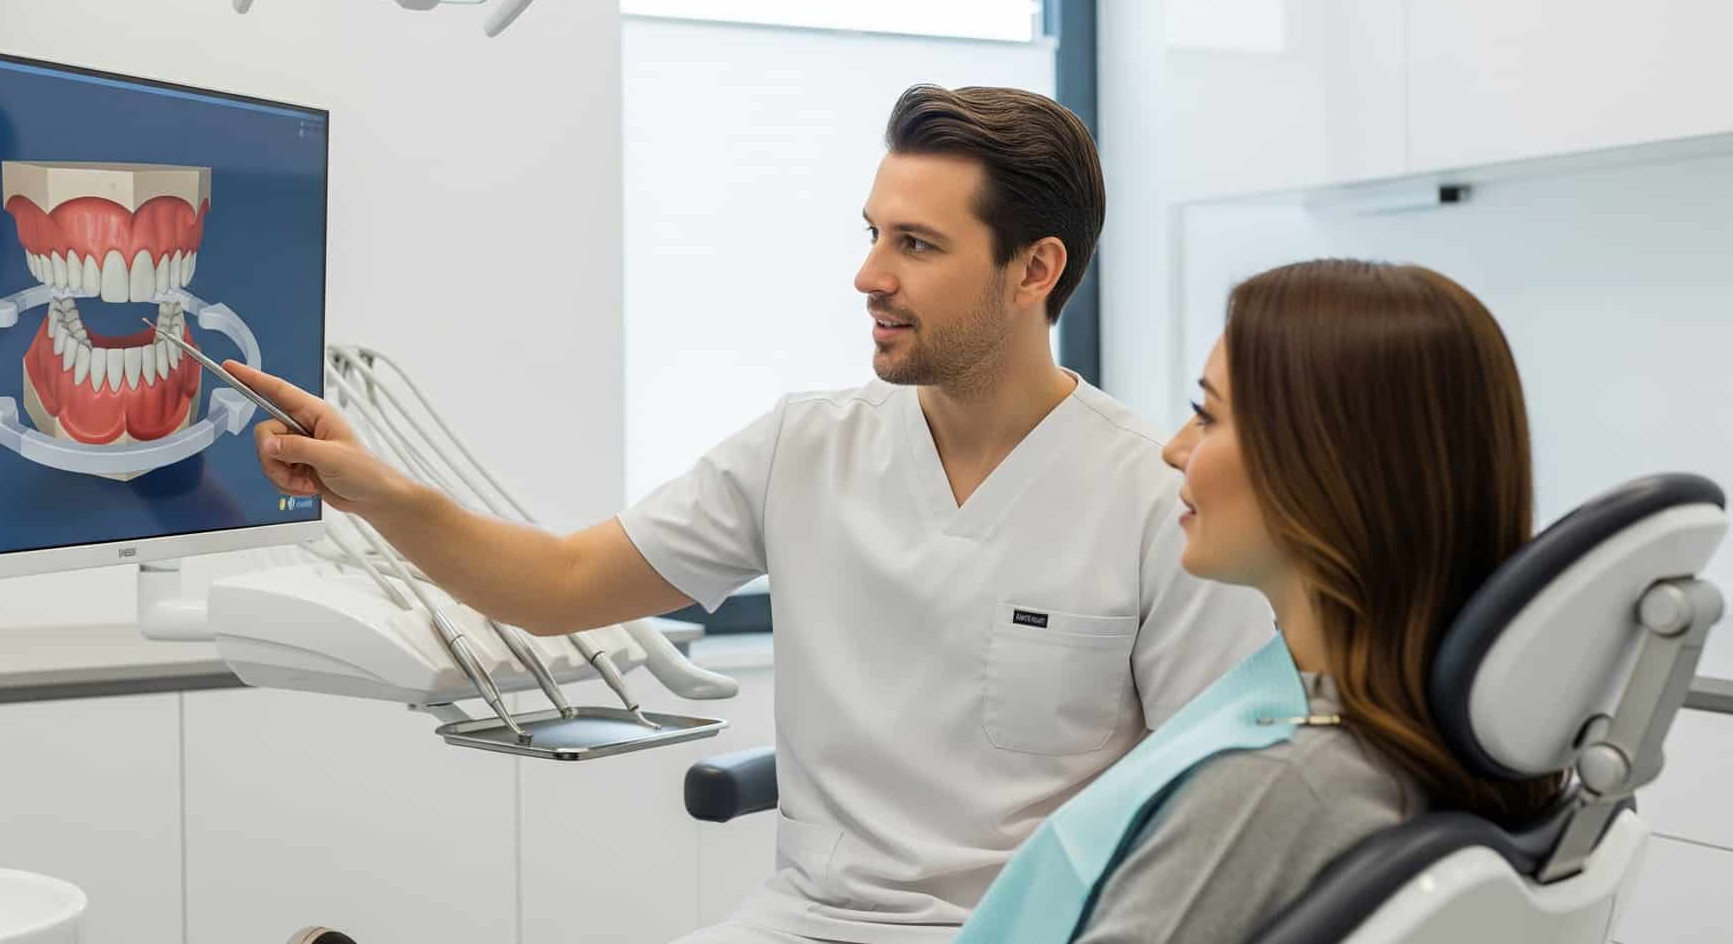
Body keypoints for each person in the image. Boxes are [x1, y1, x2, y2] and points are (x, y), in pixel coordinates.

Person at [225, 84, 1274, 944]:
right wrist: (379, 489)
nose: (867, 275)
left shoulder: (1153, 494)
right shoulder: (803, 447)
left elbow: (1210, 811)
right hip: (803, 921)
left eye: (915, 244)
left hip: (1026, 930)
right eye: (871, 234)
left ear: (1032, 270)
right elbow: (556, 589)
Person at [953, 259, 1569, 944]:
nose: (1176, 450)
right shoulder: (1423, 732)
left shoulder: (1279, 787)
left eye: (1206, 416)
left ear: (1328, 468)